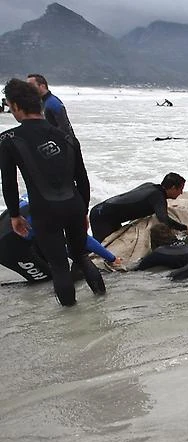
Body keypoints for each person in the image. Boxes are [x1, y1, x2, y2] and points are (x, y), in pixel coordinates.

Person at [0, 78, 106, 306]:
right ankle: (102, 301)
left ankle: (72, 319)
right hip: (74, 205)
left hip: (45, 210)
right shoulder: (67, 138)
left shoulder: (9, 139)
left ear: (16, 106)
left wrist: (15, 215)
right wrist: (84, 211)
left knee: (59, 266)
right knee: (81, 255)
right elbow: (82, 179)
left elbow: (8, 182)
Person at [1, 194, 121, 280]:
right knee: (49, 279)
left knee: (54, 250)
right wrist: (112, 259)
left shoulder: (38, 191)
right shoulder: (61, 210)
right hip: (9, 248)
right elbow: (84, 239)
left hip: (20, 233)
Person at [89, 173, 188, 243]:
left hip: (103, 211)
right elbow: (164, 220)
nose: (181, 193)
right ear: (173, 188)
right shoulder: (157, 196)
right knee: (100, 248)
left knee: (112, 244)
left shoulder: (150, 186)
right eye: (180, 189)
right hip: (102, 216)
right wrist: (185, 228)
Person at [26, 73, 76, 143]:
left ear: (42, 86)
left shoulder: (53, 103)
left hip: (62, 144)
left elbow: (64, 128)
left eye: (31, 85)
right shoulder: (41, 102)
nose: (28, 88)